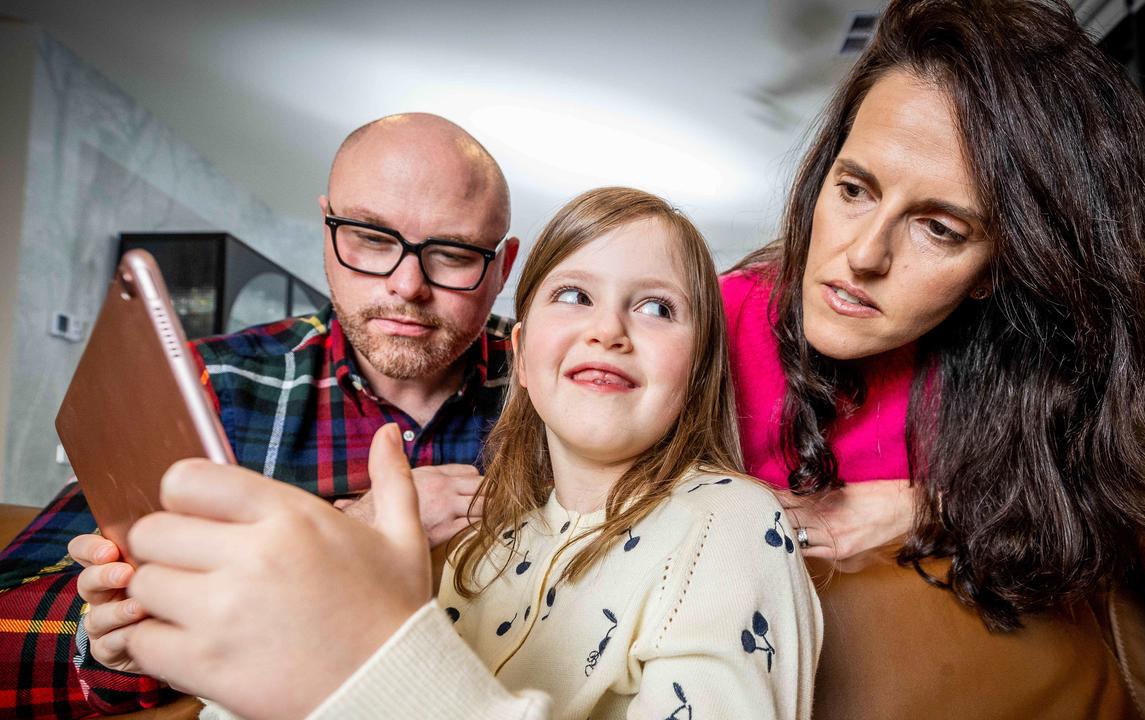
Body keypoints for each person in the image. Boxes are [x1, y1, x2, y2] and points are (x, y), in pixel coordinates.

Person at [119, 187, 820, 719]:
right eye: (574, 295)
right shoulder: (483, 548)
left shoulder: (731, 526)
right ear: (518, 353)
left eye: (657, 308)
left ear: (700, 366)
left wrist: (375, 648)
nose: (608, 329)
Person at [0, 112, 520, 716]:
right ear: (328, 230)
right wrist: (345, 534)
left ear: (502, 266)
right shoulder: (213, 385)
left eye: (453, 253)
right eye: (372, 240)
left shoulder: (562, 390)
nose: (407, 285)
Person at [726, 0, 1145, 630]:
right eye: (854, 190)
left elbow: (1088, 514)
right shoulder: (706, 322)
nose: (864, 254)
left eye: (938, 228)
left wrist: (919, 509)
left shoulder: (1024, 384)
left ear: (999, 267)